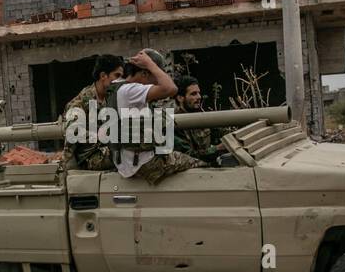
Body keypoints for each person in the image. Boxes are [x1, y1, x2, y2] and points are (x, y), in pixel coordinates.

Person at [104, 50, 205, 185]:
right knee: (202, 164)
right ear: (144, 73)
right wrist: (150, 64)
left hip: (126, 161)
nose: (156, 83)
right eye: (154, 77)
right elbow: (171, 88)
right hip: (146, 164)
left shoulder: (117, 86)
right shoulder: (131, 90)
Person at [60, 53, 124, 171]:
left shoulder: (110, 99)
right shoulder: (80, 102)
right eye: (117, 75)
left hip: (106, 151)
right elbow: (73, 133)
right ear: (103, 75)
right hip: (89, 159)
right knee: (126, 152)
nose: (120, 80)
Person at [173, 75, 228, 165]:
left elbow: (218, 135)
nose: (199, 97)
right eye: (193, 94)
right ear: (180, 98)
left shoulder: (202, 116)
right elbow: (188, 155)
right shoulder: (175, 123)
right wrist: (217, 148)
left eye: (199, 93)